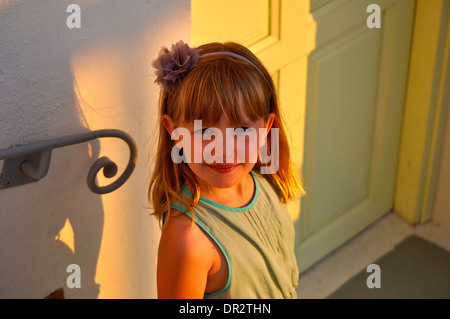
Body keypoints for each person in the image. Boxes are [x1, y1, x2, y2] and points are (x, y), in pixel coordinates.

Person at [148, 40, 305, 299]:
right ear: (174, 132)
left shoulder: (261, 181)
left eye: (242, 130)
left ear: (266, 128)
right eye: (204, 131)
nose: (223, 149)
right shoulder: (188, 240)